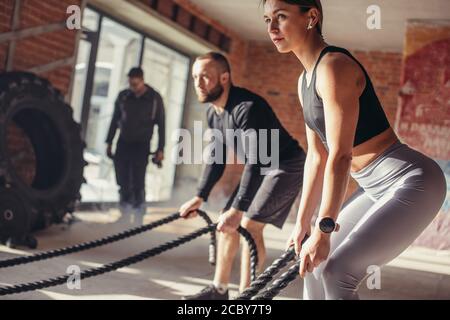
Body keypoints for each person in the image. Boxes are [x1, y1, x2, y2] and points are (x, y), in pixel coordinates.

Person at [262, 0, 447, 299]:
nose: (271, 27)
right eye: (267, 19)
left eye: (280, 17)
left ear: (311, 17)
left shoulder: (334, 66)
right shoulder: (304, 81)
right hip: (374, 187)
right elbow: (316, 157)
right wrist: (302, 224)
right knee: (313, 264)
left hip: (413, 181)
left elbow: (340, 155)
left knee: (339, 270)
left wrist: (323, 230)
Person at [179, 52, 306, 299]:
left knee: (249, 225)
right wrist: (199, 196)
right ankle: (219, 290)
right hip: (261, 165)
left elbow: (257, 161)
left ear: (224, 78)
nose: (198, 82)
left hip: (285, 165)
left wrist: (238, 208)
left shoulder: (247, 108)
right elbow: (216, 158)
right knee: (226, 224)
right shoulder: (214, 113)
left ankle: (248, 296)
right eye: (195, 76)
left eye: (205, 76)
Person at [105, 67, 165, 225]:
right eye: (131, 84)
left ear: (142, 81)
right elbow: (114, 120)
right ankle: (124, 214)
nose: (133, 87)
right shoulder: (123, 96)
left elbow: (162, 125)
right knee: (122, 180)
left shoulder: (154, 98)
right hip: (123, 143)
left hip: (142, 145)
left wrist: (160, 149)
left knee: (137, 181)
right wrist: (109, 141)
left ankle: (138, 218)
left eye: (136, 84)